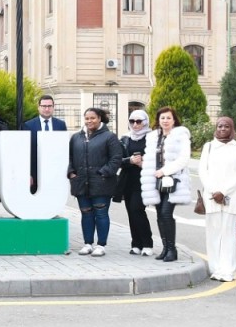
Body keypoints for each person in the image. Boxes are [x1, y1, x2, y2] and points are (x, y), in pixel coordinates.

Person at [199, 116, 236, 282]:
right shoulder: (209, 147)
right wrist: (214, 191)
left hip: (230, 197)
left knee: (228, 234)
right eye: (220, 126)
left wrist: (224, 191)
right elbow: (203, 171)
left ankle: (227, 269)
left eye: (226, 126)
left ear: (232, 129)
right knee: (213, 234)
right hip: (212, 197)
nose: (222, 129)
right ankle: (215, 267)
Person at [140, 106, 193, 262]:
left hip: (173, 179)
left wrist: (165, 170)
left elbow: (184, 158)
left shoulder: (181, 135)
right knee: (159, 214)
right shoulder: (152, 137)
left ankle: (172, 249)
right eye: (162, 118)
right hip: (155, 180)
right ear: (158, 120)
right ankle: (165, 248)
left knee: (165, 213)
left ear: (174, 119)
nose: (165, 121)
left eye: (168, 118)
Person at [67, 108, 123, 256]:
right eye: (87, 118)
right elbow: (70, 158)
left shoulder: (109, 137)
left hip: (102, 183)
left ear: (100, 119)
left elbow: (116, 159)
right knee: (86, 214)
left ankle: (101, 245)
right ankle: (87, 243)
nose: (89, 121)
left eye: (93, 118)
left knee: (101, 213)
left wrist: (103, 172)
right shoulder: (76, 137)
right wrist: (71, 173)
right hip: (81, 182)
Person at [112, 109, 153, 255]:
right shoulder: (125, 138)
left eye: (139, 121)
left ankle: (147, 243)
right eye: (132, 121)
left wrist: (144, 163)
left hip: (144, 181)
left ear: (145, 122)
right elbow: (117, 160)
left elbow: (158, 159)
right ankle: (136, 244)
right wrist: (130, 160)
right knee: (131, 212)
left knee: (137, 210)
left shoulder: (151, 138)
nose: (135, 125)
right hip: (127, 180)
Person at [23, 94, 68, 190]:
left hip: (55, 172)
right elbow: (26, 152)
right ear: (38, 107)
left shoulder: (61, 125)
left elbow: (64, 149)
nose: (47, 109)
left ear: (53, 107)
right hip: (35, 172)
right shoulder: (28, 125)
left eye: (49, 106)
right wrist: (28, 173)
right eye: (44, 106)